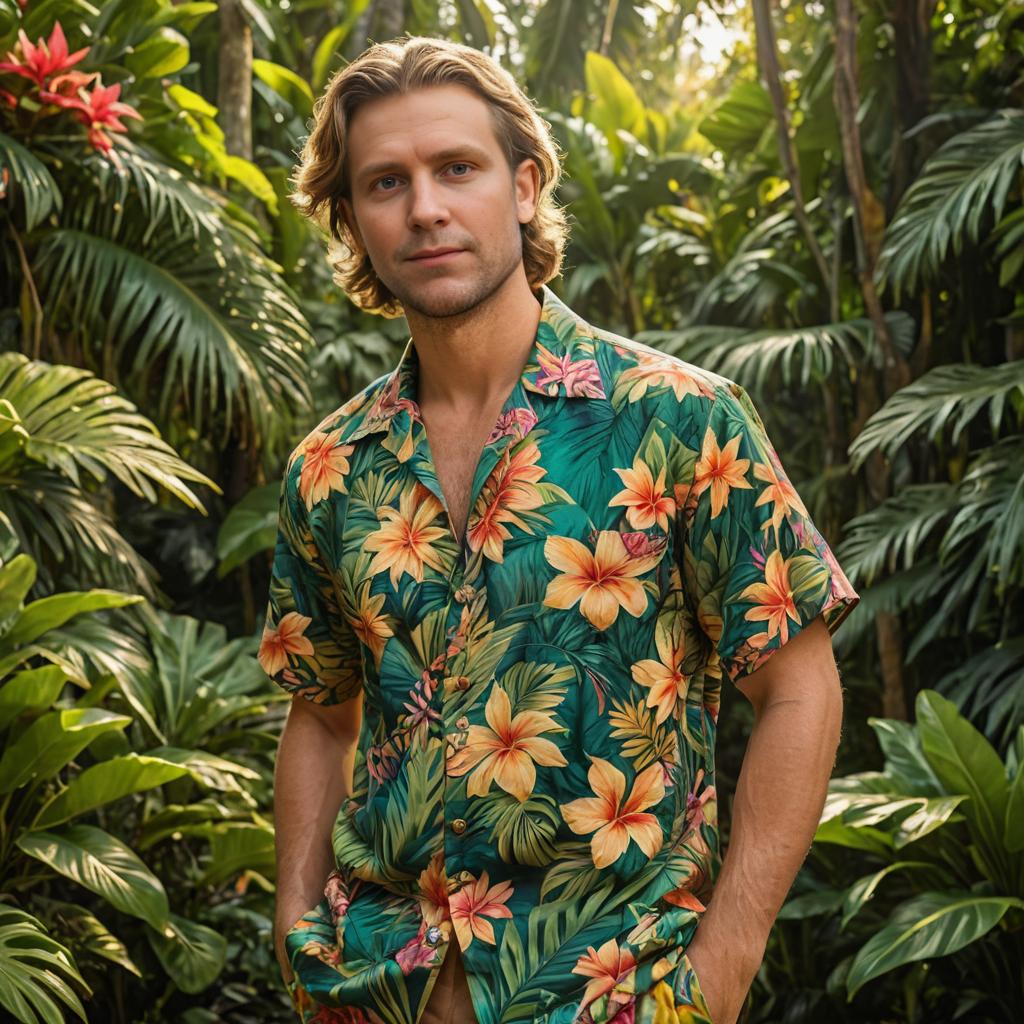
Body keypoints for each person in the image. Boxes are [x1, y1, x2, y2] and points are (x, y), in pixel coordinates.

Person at [261, 34, 859, 1024]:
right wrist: (295, 927)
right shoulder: (328, 467)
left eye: (457, 168)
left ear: (525, 185)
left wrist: (726, 962)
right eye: (383, 183)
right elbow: (322, 716)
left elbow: (798, 686)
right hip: (375, 994)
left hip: (617, 994)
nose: (424, 208)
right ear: (353, 221)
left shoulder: (680, 420)